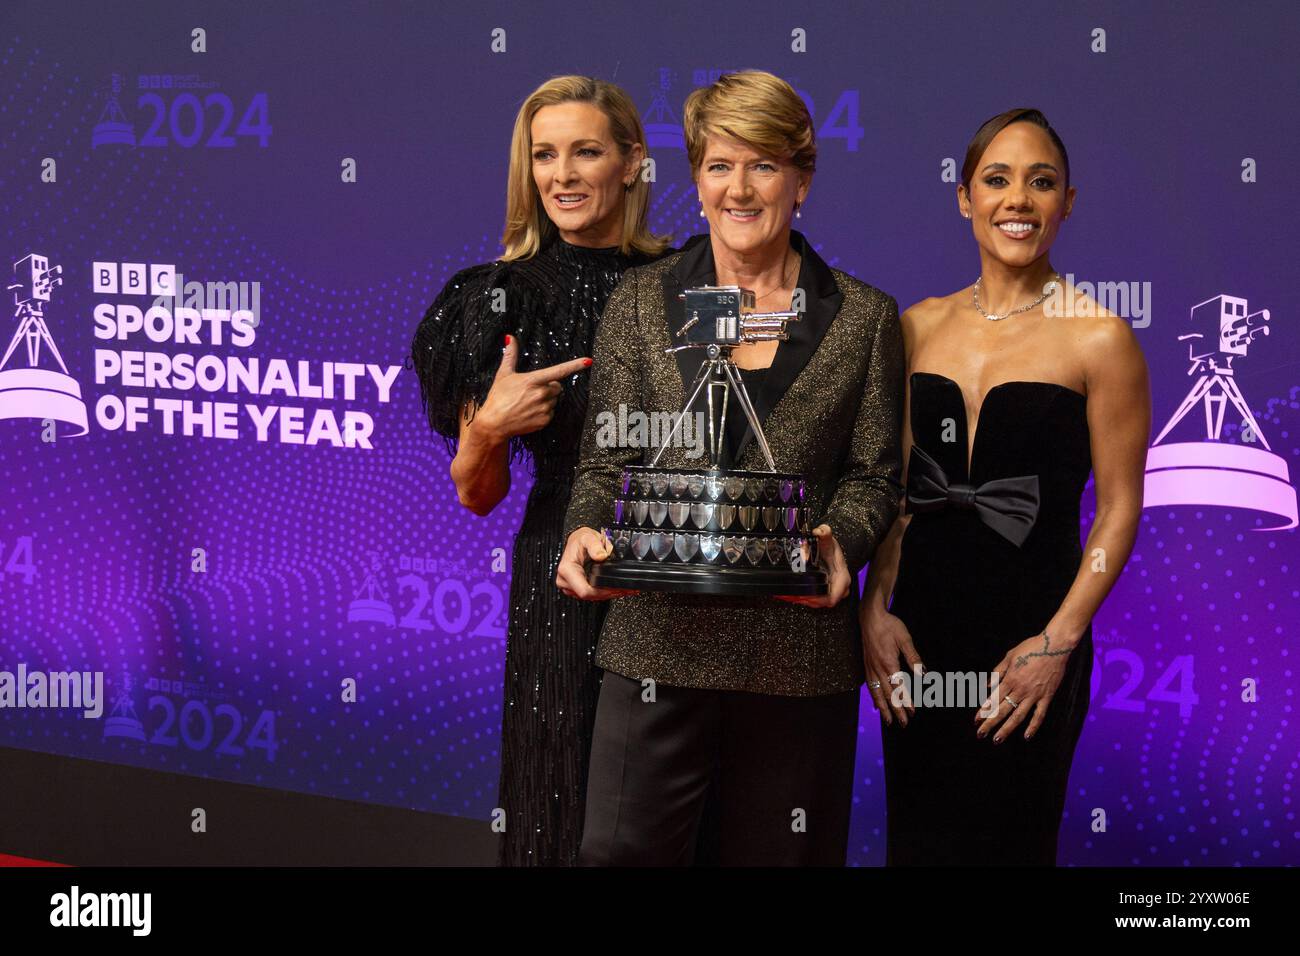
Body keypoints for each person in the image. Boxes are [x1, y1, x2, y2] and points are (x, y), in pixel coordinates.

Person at [556, 70, 904, 866]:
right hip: (653, 650)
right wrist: (584, 525)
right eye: (719, 166)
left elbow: (874, 475)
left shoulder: (863, 317)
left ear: (802, 180)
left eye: (764, 165)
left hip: (795, 659)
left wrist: (836, 541)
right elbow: (607, 455)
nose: (739, 189)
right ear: (696, 180)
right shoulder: (641, 303)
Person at [860, 108, 1150, 865]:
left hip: (1032, 633)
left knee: (1011, 843)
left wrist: (1058, 642)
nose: (1017, 199)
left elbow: (1119, 510)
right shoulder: (916, 325)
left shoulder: (1100, 338)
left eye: (1040, 182)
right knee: (919, 843)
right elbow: (895, 493)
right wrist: (874, 607)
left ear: (1067, 202)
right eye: (998, 179)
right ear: (965, 198)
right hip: (919, 634)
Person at [410, 75, 674, 866]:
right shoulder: (501, 299)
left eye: (585, 151)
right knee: (557, 791)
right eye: (544, 155)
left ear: (631, 163)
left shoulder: (685, 283)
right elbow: (477, 493)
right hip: (560, 574)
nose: (561, 175)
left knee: (668, 803)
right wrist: (489, 427)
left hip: (681, 563)